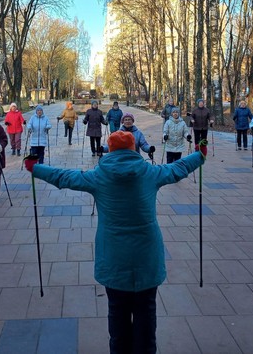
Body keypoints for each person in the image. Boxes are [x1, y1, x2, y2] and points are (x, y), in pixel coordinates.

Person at [24, 131, 208, 354]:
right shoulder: (150, 173)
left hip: (113, 258)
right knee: (147, 317)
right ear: (134, 149)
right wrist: (199, 154)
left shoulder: (98, 176)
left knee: (117, 318)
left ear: (109, 150)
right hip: (147, 258)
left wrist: (36, 167)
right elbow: (177, 169)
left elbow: (64, 177)